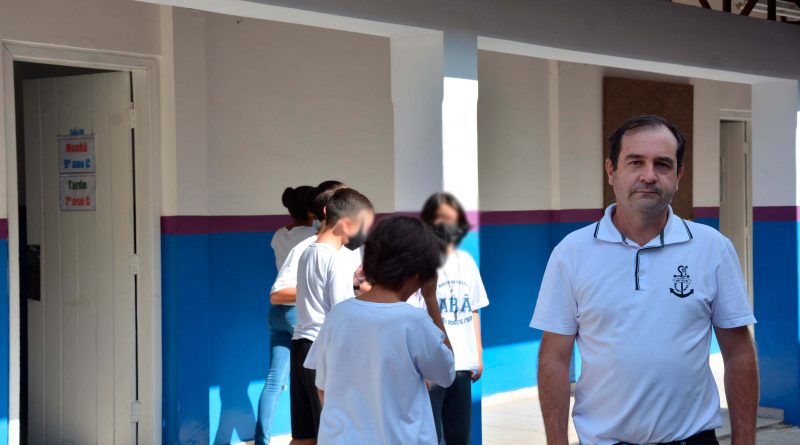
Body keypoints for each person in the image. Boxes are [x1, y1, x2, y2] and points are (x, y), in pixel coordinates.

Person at [531, 115, 758, 445]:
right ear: (611, 170)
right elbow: (554, 357)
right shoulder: (571, 253)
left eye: (662, 165)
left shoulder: (713, 248)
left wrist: (745, 440)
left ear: (678, 176)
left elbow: (738, 352)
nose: (649, 176)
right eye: (635, 162)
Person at [303, 216, 456, 445]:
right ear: (420, 272)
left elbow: (323, 388)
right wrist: (431, 300)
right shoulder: (414, 321)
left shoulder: (337, 315)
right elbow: (447, 373)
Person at [289, 187, 375, 445]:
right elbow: (343, 315)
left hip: (301, 345)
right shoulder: (337, 260)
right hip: (326, 350)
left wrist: (352, 284)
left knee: (305, 436)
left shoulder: (308, 251)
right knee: (334, 434)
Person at [408, 192, 489, 445]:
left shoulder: (467, 262)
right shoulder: (420, 264)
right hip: (431, 368)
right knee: (431, 436)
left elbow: (474, 309)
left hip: (462, 366)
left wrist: (478, 354)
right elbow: (412, 316)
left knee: (459, 437)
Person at [254, 185, 318, 445]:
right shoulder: (314, 234)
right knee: (312, 379)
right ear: (312, 210)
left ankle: (262, 440)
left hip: (277, 311)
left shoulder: (279, 235)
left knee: (274, 380)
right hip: (298, 310)